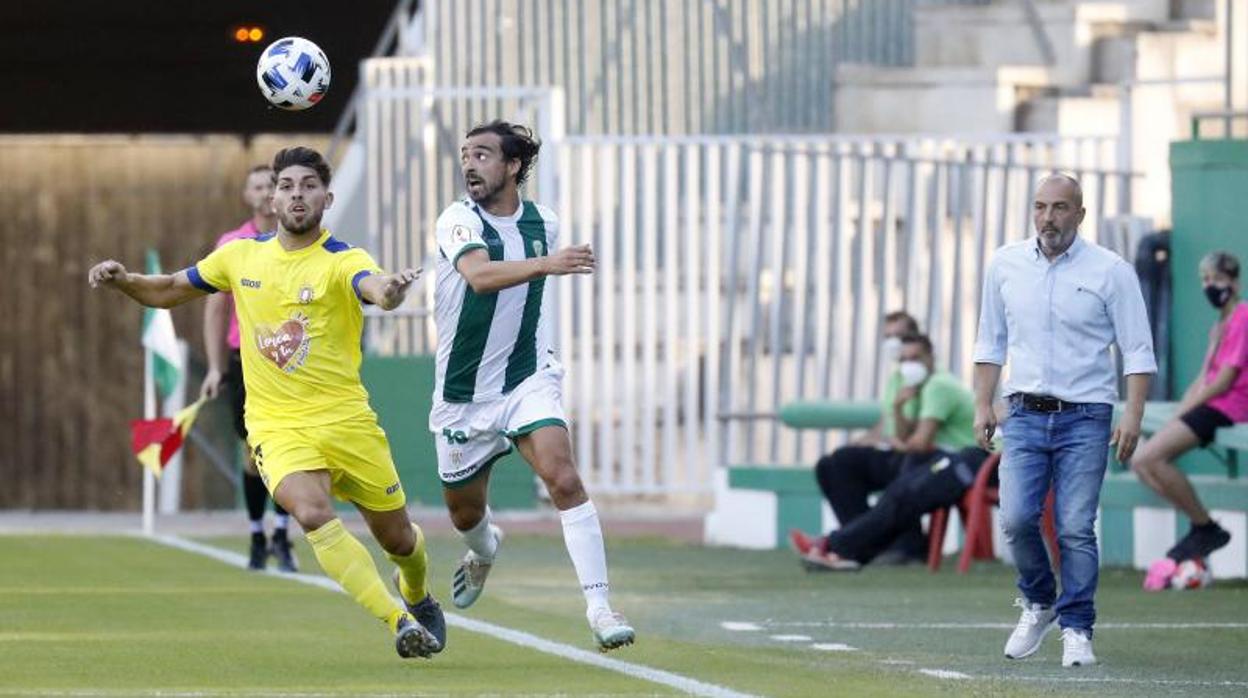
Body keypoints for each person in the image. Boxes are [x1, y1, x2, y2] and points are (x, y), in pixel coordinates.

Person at [87, 146, 446, 660]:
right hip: (277, 426)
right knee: (312, 512)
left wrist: (390, 290)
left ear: (327, 196)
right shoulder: (239, 256)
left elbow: (375, 288)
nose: (297, 194)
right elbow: (168, 288)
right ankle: (398, 619)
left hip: (348, 422)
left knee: (400, 542)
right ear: (272, 197)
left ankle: (415, 591)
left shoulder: (345, 259)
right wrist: (124, 282)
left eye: (307, 185)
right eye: (286, 185)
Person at [429, 120, 635, 652]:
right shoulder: (456, 219)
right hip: (462, 396)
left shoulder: (545, 220)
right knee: (464, 514)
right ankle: (485, 548)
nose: (470, 164)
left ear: (514, 166)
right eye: (466, 155)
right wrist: (549, 263)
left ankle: (600, 607)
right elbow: (478, 276)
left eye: (483, 155)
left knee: (563, 478)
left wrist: (546, 260)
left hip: (526, 378)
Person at [973, 173, 1155, 668]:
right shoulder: (1005, 264)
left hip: (1086, 416)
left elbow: (1137, 350)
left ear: (1080, 213)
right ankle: (1038, 601)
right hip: (1024, 413)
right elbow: (990, 342)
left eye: (1058, 208)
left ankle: (1077, 627)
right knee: (1014, 518)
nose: (1047, 218)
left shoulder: (1111, 270)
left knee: (1075, 526)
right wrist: (982, 403)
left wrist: (1132, 415)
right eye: (1040, 207)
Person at [792, 333, 985, 570]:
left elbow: (918, 443)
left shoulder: (939, 385)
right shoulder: (910, 386)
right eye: (904, 359)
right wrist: (897, 406)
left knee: (902, 493)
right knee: (885, 485)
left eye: (916, 358)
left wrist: (899, 443)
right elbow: (906, 439)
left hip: (970, 459)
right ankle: (850, 550)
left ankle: (834, 546)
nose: (909, 364)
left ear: (931, 357)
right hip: (937, 458)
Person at [198, 164, 297, 572]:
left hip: (290, 359)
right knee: (254, 452)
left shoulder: (296, 243)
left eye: (271, 185)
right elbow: (215, 308)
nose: (264, 192)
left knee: (289, 450)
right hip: (246, 359)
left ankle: (282, 534)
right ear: (247, 195)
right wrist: (214, 367)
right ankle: (258, 535)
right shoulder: (233, 244)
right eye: (257, 185)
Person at [1131, 250, 1241, 589]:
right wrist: (1184, 404)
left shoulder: (1243, 317)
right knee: (1140, 463)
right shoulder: (1219, 325)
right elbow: (1204, 377)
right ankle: (1202, 526)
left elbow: (1223, 381)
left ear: (1234, 281)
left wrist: (1187, 409)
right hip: (1209, 405)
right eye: (1205, 280)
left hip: (1229, 406)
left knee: (1150, 457)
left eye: (1217, 279)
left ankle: (1205, 527)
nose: (1211, 286)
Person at [791, 311, 930, 564]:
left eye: (897, 336)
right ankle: (870, 544)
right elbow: (885, 422)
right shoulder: (898, 377)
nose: (892, 343)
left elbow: (917, 434)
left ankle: (894, 545)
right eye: (886, 337)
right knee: (832, 465)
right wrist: (863, 440)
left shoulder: (929, 378)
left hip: (918, 456)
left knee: (897, 467)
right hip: (895, 451)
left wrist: (894, 432)